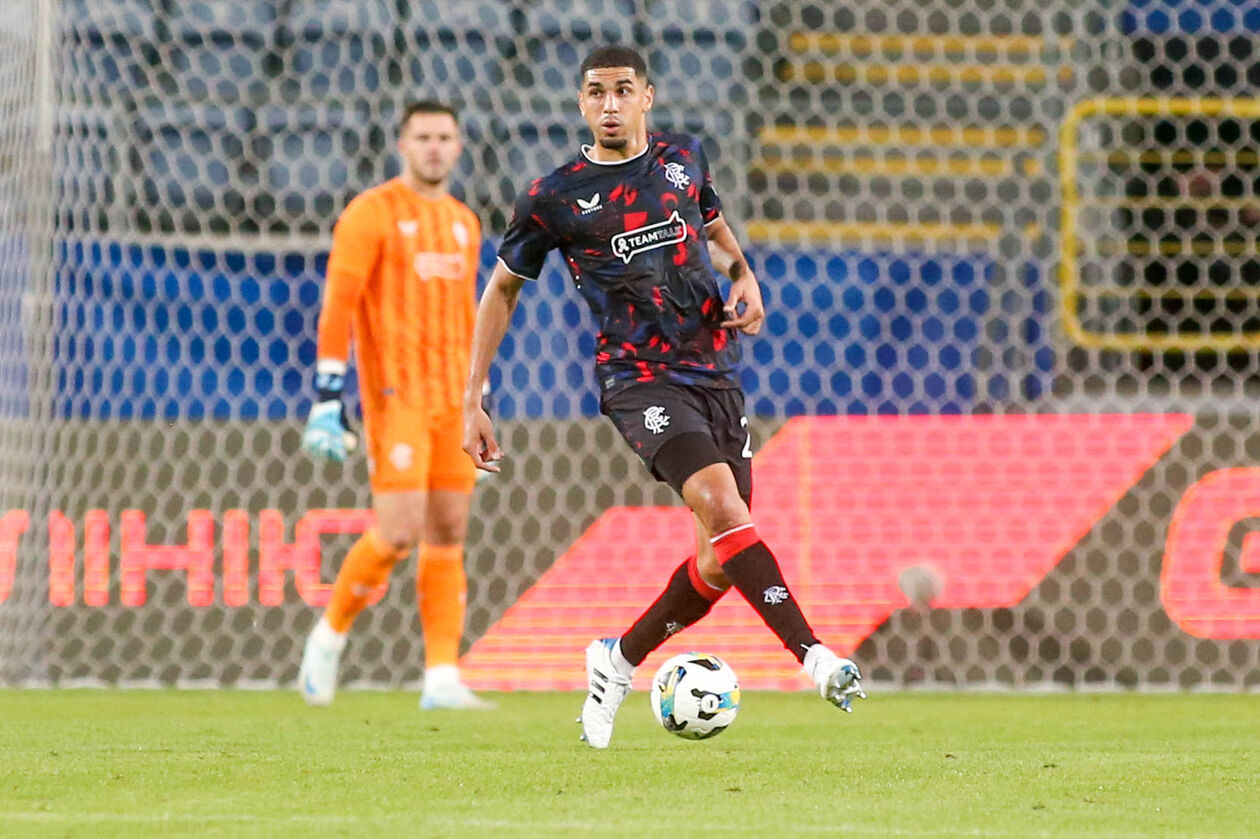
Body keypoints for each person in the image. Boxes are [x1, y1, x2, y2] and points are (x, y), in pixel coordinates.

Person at [461, 46, 864, 748]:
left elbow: (714, 230)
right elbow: (501, 290)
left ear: (647, 96)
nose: (610, 104)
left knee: (719, 558)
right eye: (596, 92)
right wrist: (474, 397)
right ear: (580, 103)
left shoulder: (684, 158)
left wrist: (744, 276)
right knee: (722, 503)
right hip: (637, 377)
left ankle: (617, 660)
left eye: (623, 90)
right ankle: (815, 656)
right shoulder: (554, 197)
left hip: (715, 371)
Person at [298, 100, 493, 711]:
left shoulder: (464, 222)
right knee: (400, 531)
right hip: (395, 397)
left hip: (453, 400)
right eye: (423, 137)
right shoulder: (371, 212)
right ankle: (329, 636)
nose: (435, 147)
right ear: (402, 145)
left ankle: (441, 677)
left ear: (459, 147)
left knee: (449, 530)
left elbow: (468, 314)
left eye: (444, 137)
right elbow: (339, 302)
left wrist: (480, 399)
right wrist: (328, 393)